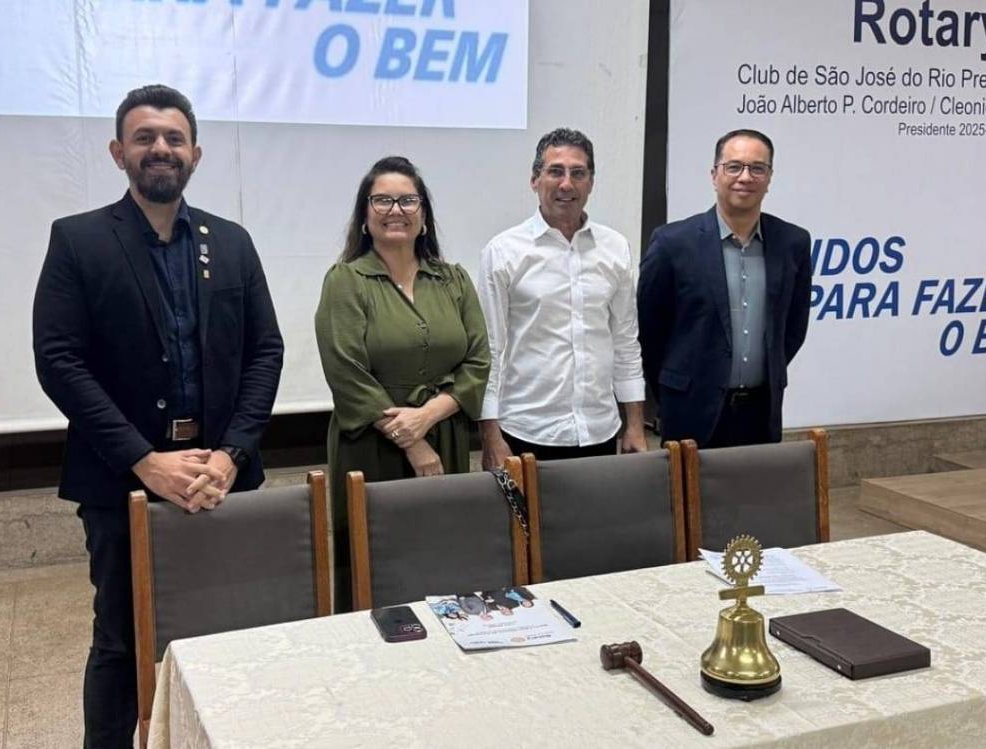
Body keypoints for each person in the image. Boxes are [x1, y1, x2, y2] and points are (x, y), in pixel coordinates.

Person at [32, 84, 283, 747]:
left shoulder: (232, 242)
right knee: (121, 639)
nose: (160, 148)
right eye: (144, 137)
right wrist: (144, 461)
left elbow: (266, 351)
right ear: (119, 153)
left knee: (228, 629)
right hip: (120, 481)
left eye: (174, 138)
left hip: (223, 477)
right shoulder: (79, 240)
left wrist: (230, 454)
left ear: (195, 153)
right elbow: (59, 360)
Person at [315, 156, 490, 612]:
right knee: (374, 564)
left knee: (440, 554)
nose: (396, 210)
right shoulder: (345, 281)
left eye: (408, 200)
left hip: (445, 436)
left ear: (424, 215)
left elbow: (478, 360)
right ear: (365, 215)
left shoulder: (453, 280)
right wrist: (412, 441)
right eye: (383, 201)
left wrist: (429, 415)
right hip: (371, 443)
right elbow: (345, 370)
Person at [477, 128, 647, 467]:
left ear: (591, 182)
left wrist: (636, 424)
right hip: (526, 430)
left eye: (578, 173)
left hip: (599, 429)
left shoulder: (615, 248)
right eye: (555, 171)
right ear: (534, 180)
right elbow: (489, 351)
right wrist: (490, 436)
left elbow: (626, 341)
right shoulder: (503, 252)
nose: (566, 184)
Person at [638, 128, 812, 447]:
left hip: (761, 412)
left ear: (769, 178)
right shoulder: (672, 243)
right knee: (688, 485)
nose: (745, 177)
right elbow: (650, 332)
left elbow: (793, 327)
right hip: (689, 411)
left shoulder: (793, 243)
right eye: (734, 167)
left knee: (757, 483)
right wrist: (674, 389)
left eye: (757, 168)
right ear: (714, 175)